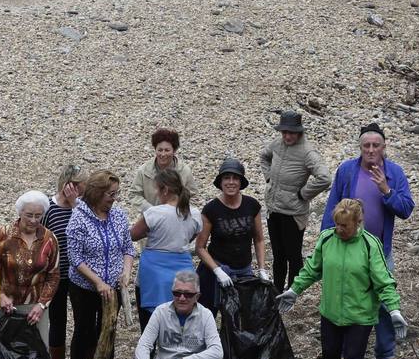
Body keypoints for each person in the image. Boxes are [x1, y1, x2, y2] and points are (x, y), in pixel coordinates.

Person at [278, 199, 406, 359]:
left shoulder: (370, 244)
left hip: (360, 314)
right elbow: (312, 269)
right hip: (331, 311)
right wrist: (294, 290)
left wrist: (394, 310)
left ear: (358, 222)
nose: (339, 229)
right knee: (329, 353)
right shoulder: (327, 239)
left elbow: (384, 281)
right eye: (336, 224)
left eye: (344, 225)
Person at [321, 123, 415, 359]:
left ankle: (385, 353)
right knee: (346, 299)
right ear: (360, 147)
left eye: (376, 145)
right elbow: (333, 206)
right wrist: (325, 240)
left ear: (384, 147)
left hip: (380, 251)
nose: (371, 150)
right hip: (347, 247)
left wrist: (386, 190)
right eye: (366, 146)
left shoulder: (394, 172)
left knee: (385, 301)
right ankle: (342, 353)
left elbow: (406, 209)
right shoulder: (346, 171)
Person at [64, 170, 135, 359]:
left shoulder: (119, 215)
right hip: (84, 286)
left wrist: (125, 272)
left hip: (112, 286)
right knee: (84, 329)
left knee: (108, 330)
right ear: (96, 193)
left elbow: (127, 248)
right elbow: (76, 258)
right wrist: (97, 282)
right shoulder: (79, 217)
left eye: (116, 194)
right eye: (109, 194)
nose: (113, 198)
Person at [259, 110, 332, 291]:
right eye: (284, 132)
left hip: (293, 213)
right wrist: (268, 178)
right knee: (278, 254)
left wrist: (303, 194)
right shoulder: (277, 143)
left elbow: (325, 178)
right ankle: (277, 289)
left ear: (299, 132)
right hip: (274, 209)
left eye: (291, 132)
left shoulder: (307, 152)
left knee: (293, 255)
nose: (287, 136)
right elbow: (264, 156)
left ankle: (293, 291)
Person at [195, 158, 269, 313]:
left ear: (241, 182)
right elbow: (200, 247)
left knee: (241, 316)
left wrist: (262, 269)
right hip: (216, 269)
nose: (231, 182)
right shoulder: (211, 209)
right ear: (220, 182)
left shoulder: (252, 205)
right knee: (207, 312)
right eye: (226, 178)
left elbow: (259, 239)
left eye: (235, 178)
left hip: (244, 270)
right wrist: (217, 270)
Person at [131, 168, 201, 329]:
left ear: (165, 190)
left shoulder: (154, 213)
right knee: (180, 320)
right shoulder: (194, 214)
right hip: (183, 268)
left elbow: (133, 235)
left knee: (150, 323)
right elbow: (191, 236)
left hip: (154, 273)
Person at [0, 190, 61, 348]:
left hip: (35, 306)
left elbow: (53, 275)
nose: (33, 220)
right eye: (29, 215)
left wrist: (42, 305)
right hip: (6, 305)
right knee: (5, 354)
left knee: (37, 355)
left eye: (38, 216)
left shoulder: (49, 239)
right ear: (20, 212)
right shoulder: (3, 235)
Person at [44, 164, 83, 359]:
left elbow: (88, 227)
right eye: (80, 185)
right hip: (57, 273)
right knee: (57, 321)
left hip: (80, 273)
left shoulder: (83, 207)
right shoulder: (49, 207)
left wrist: (77, 205)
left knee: (82, 321)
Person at [128, 128, 198, 212]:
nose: (163, 154)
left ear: (174, 150)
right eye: (160, 150)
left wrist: (179, 210)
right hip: (151, 219)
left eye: (167, 150)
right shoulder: (144, 171)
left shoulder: (184, 171)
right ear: (155, 149)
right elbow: (134, 194)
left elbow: (193, 197)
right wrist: (150, 209)